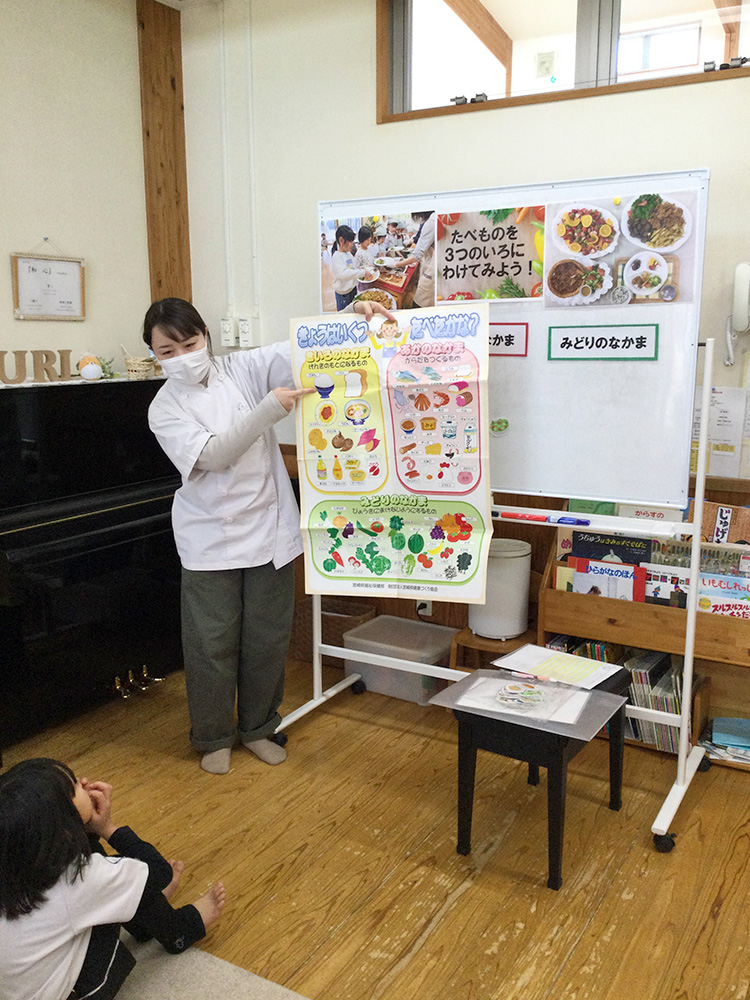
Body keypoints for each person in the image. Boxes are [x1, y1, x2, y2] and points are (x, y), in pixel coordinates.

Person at [143, 296, 394, 775]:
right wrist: (268, 410)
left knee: (267, 638)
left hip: (268, 528)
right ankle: (213, 736)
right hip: (208, 539)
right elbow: (212, 456)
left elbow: (302, 349)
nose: (182, 358)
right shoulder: (164, 408)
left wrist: (350, 316)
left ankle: (259, 727)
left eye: (189, 344)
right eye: (167, 352)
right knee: (211, 644)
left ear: (206, 337)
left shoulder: (240, 368)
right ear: (153, 354)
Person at [0, 757, 225, 1000]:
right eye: (74, 786)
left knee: (116, 875)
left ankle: (141, 913)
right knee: (121, 877)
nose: (84, 782)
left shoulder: (16, 860)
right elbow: (160, 872)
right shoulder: (78, 880)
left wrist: (83, 829)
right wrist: (107, 827)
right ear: (63, 827)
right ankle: (178, 931)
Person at [396, 210, 436, 308]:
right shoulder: (433, 218)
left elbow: (417, 255)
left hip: (432, 270)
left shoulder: (431, 222)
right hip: (433, 266)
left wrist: (396, 264)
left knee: (419, 303)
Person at [330, 224, 369, 310]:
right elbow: (343, 274)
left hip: (352, 289)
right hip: (343, 293)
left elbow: (352, 268)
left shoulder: (348, 253)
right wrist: (362, 273)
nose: (352, 244)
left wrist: (361, 269)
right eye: (350, 241)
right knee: (345, 313)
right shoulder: (336, 256)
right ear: (341, 240)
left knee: (353, 310)